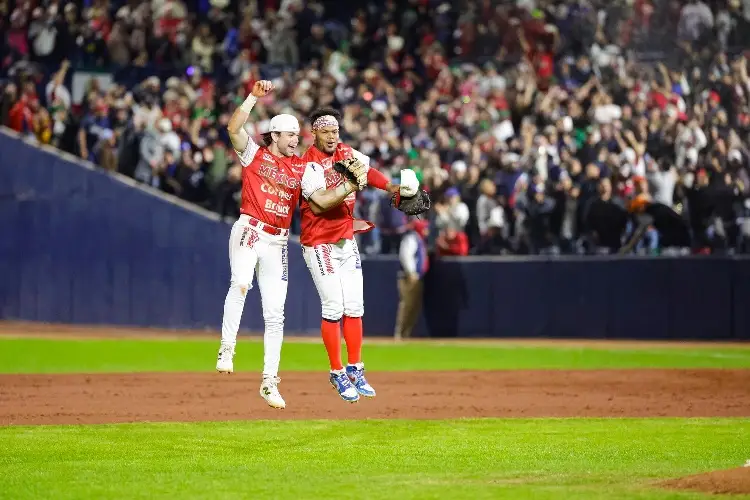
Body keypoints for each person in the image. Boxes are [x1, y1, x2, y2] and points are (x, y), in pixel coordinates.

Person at [217, 82, 362, 409]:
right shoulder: (254, 153)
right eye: (289, 135)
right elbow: (233, 127)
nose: (296, 140)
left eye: (297, 135)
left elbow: (322, 199)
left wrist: (349, 186)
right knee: (241, 284)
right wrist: (254, 96)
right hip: (250, 228)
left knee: (275, 314)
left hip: (277, 241)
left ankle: (269, 382)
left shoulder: (302, 167)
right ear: (275, 136)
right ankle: (227, 348)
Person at [298, 107, 420, 403]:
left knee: (354, 306)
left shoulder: (345, 151)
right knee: (333, 308)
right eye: (326, 131)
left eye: (335, 130)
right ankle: (337, 371)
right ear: (314, 132)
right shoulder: (307, 165)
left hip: (345, 237)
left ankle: (355, 367)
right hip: (319, 242)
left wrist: (393, 188)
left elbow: (369, 172)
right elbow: (318, 206)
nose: (332, 136)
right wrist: (350, 184)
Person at [394, 219, 430, 340]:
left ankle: (406, 333)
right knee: (407, 305)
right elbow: (405, 256)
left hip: (417, 277)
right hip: (408, 277)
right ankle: (400, 334)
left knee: (414, 307)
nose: (426, 231)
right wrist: (411, 273)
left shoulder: (419, 239)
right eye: (424, 228)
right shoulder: (411, 238)